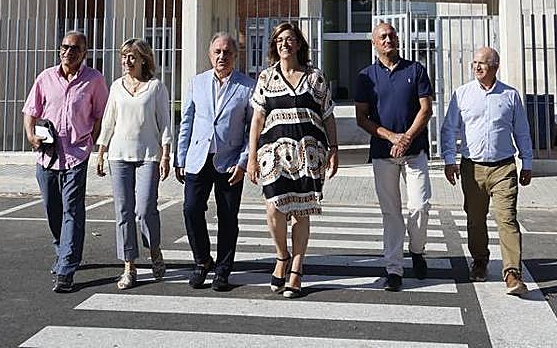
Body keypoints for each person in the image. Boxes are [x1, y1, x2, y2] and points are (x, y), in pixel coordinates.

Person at [247, 21, 338, 299]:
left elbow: (328, 115)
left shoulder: (315, 78)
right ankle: (281, 256)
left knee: (301, 212)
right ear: (275, 46)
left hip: (309, 155)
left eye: (289, 39)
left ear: (299, 44)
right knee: (274, 209)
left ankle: (296, 270)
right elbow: (257, 119)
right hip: (273, 156)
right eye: (279, 40)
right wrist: (251, 157)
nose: (284, 44)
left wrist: (334, 149)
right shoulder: (266, 78)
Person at [440, 45, 533, 296]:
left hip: (504, 167)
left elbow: (522, 131)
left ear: (495, 67)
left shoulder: (510, 96)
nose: (477, 67)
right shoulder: (462, 94)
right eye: (474, 63)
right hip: (472, 168)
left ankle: (512, 272)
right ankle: (480, 261)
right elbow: (449, 129)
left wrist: (528, 162)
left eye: (482, 63)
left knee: (507, 219)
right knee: (475, 220)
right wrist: (450, 160)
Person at [22, 30, 109, 293]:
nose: (68, 52)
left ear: (84, 53)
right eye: (65, 47)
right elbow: (31, 110)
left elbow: (100, 115)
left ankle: (67, 268)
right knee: (52, 208)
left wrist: (90, 143)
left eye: (75, 48)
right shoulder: (45, 77)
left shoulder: (94, 80)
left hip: (76, 155)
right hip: (46, 155)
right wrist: (30, 136)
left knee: (72, 209)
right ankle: (63, 250)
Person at [354, 21, 434, 291]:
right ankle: (394, 269)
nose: (388, 39)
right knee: (391, 213)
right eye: (382, 37)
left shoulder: (416, 69)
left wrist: (407, 138)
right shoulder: (366, 76)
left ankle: (417, 250)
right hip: (382, 152)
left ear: (397, 39)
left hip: (415, 152)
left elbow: (426, 110)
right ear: (374, 43)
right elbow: (361, 118)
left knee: (420, 205)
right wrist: (391, 137)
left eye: (391, 35)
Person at [176, 32, 255, 291]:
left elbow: (252, 130)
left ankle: (223, 269)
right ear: (210, 54)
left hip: (230, 161)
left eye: (227, 52)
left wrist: (243, 162)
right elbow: (186, 121)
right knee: (191, 209)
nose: (222, 56)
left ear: (236, 55)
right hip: (198, 158)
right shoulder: (197, 83)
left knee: (228, 217)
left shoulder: (247, 86)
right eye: (217, 52)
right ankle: (202, 261)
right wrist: (181, 157)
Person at [94, 38, 172, 290]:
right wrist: (101, 151)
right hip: (119, 155)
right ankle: (129, 265)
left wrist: (166, 154)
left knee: (145, 208)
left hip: (149, 155)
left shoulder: (156, 87)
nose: (126, 61)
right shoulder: (116, 87)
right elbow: (108, 121)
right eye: (124, 56)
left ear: (143, 60)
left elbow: (165, 123)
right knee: (123, 211)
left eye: (132, 56)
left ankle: (155, 249)